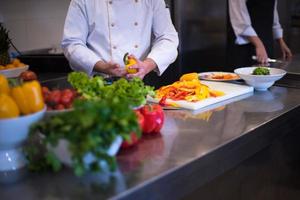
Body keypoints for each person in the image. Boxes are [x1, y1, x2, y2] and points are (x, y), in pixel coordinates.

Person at [61, 0, 179, 80]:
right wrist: (102, 66)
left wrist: (147, 65)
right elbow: (72, 43)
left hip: (140, 83)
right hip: (99, 83)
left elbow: (167, 38)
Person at [226, 0, 292, 70]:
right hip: (244, 46)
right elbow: (239, 20)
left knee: (267, 77)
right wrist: (259, 45)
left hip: (266, 44)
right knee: (243, 77)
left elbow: (273, 13)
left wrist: (280, 41)